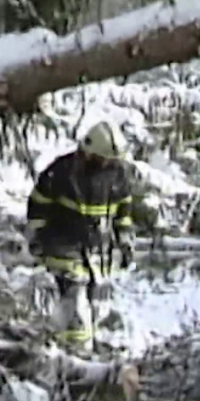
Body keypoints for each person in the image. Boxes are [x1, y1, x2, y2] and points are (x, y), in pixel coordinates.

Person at [25, 121, 136, 352]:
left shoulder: (118, 175)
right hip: (62, 246)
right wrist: (36, 237)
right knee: (74, 303)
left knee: (98, 307)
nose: (107, 163)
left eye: (111, 159)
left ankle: (85, 350)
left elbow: (123, 213)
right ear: (88, 153)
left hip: (99, 252)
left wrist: (125, 241)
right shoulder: (63, 171)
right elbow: (38, 204)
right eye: (103, 158)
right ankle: (75, 355)